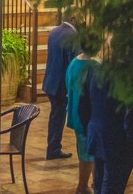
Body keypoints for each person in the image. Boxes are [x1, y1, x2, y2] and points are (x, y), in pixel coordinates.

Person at [82, 39, 133, 194]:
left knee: (99, 185)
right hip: (118, 141)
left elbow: (83, 105)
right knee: (112, 187)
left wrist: (88, 129)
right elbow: (132, 120)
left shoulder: (94, 70)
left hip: (96, 134)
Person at [67, 40, 101, 194]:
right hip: (88, 116)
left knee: (84, 150)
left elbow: (68, 83)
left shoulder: (74, 62)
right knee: (88, 153)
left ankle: (96, 183)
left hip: (75, 111)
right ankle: (82, 187)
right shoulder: (94, 67)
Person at [45, 10, 80, 160]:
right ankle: (53, 149)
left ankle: (53, 147)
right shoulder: (72, 36)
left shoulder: (54, 32)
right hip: (61, 85)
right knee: (58, 116)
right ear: (73, 18)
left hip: (50, 81)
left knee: (55, 116)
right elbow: (76, 61)